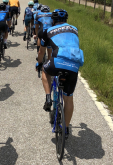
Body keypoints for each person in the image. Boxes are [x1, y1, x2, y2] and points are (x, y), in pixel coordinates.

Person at [36, 9, 84, 139]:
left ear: (53, 20)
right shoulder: (74, 29)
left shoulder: (49, 31)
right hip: (74, 65)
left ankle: (47, 97)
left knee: (45, 71)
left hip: (57, 62)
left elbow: (42, 52)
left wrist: (39, 63)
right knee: (68, 98)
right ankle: (66, 128)